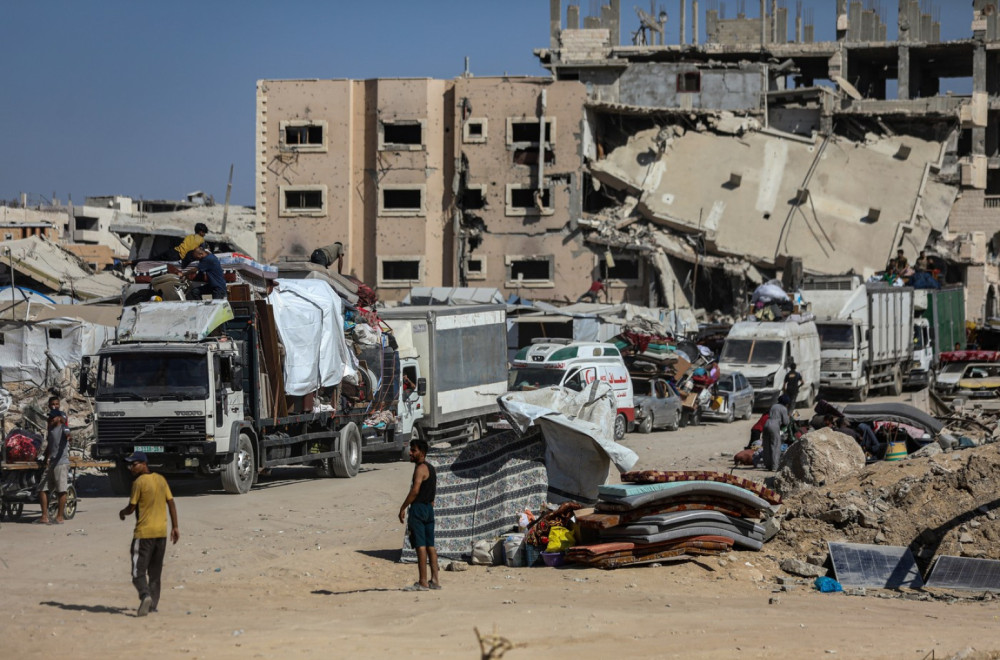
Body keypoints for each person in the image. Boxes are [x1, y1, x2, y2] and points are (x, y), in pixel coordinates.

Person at [118, 451, 179, 617]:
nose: (131, 468)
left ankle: (145, 596)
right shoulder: (161, 479)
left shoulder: (138, 483)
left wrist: (122, 513)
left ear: (144, 464)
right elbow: (171, 502)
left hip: (144, 535)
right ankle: (153, 605)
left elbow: (131, 508)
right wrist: (175, 527)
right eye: (130, 464)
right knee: (155, 573)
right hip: (161, 534)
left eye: (134, 464)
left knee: (138, 572)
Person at [398, 438, 440, 591]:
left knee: (420, 546)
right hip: (429, 509)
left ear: (422, 453)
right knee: (430, 546)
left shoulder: (420, 469)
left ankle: (423, 581)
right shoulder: (431, 468)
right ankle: (435, 580)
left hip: (418, 509)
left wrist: (403, 507)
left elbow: (415, 491)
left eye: (413, 450)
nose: (410, 452)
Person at [37, 400, 70, 524]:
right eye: (49, 418)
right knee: (42, 489)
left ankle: (59, 517)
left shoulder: (63, 428)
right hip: (51, 463)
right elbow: (50, 446)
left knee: (61, 490)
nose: (50, 420)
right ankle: (44, 516)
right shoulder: (50, 431)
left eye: (52, 418)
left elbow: (68, 434)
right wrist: (46, 457)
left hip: (61, 463)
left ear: (57, 418)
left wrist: (69, 436)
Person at [762, 394, 791, 471]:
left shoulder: (774, 406)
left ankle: (768, 465)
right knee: (775, 446)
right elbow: (785, 422)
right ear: (786, 403)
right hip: (774, 426)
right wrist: (788, 417)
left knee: (767, 445)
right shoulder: (784, 408)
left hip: (767, 423)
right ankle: (774, 467)